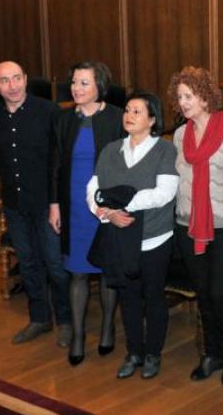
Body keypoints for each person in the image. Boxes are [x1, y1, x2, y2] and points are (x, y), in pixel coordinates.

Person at [87, 92, 178, 379]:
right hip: (119, 236)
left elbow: (164, 193)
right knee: (127, 297)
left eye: (137, 111)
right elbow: (94, 189)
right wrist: (105, 212)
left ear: (152, 120)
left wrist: (123, 204)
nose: (129, 115)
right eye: (127, 109)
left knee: (152, 296)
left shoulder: (165, 150)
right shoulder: (110, 150)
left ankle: (153, 353)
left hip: (154, 237)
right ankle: (134, 352)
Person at [0, 60, 72, 346]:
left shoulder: (48, 112)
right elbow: (0, 159)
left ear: (25, 78)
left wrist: (55, 203)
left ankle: (66, 321)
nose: (12, 86)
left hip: (47, 204)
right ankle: (39, 319)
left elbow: (59, 162)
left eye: (16, 78)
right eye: (5, 81)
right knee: (28, 263)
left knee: (55, 264)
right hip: (14, 203)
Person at [169, 66, 223, 386]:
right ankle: (212, 353)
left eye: (189, 96)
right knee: (203, 294)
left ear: (205, 96)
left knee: (220, 294)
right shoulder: (179, 135)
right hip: (188, 224)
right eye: (179, 96)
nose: (183, 102)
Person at [49, 61, 124, 366]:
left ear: (99, 86)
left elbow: (124, 165)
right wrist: (54, 204)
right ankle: (79, 336)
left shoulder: (117, 117)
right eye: (74, 82)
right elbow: (54, 164)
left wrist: (117, 205)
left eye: (84, 83)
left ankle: (107, 328)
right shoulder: (64, 119)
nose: (76, 89)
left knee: (106, 270)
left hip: (104, 207)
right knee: (77, 271)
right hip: (73, 207)